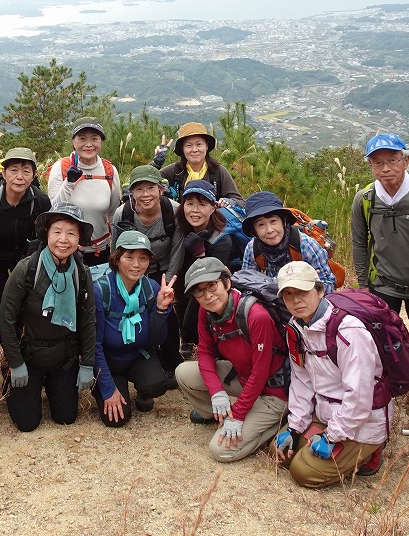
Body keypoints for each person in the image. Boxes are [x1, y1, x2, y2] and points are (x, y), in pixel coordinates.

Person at [274, 262, 390, 487]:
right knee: (279, 453)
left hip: (362, 419)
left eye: (302, 291)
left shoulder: (348, 331)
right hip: (325, 412)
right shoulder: (296, 328)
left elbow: (360, 397)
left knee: (303, 472)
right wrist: (295, 426)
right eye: (288, 294)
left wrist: (332, 436)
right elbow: (301, 379)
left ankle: (372, 450)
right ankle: (331, 442)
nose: (296, 300)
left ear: (320, 291)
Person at [175, 258, 288, 463]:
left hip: (273, 392)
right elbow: (205, 351)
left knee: (220, 451)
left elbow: (261, 372)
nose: (207, 295)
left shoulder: (256, 315)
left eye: (212, 285)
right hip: (243, 376)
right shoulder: (206, 311)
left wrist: (239, 413)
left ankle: (277, 422)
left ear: (226, 282)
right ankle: (218, 415)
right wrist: (217, 393)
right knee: (183, 373)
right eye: (199, 291)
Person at [0, 203, 97, 432]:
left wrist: (87, 364)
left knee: (66, 418)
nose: (63, 239)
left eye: (71, 233)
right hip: (29, 356)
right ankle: (10, 379)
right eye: (57, 231)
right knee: (27, 423)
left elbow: (88, 320)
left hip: (63, 357)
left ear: (79, 239)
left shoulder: (82, 273)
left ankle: (53, 385)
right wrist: (16, 363)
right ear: (46, 234)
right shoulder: (27, 269)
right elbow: (6, 319)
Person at [350, 133, 409, 385]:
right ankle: (392, 382)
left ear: (406, 161)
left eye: (392, 160)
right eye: (378, 163)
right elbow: (359, 242)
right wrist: (364, 285)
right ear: (370, 166)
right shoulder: (364, 200)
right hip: (383, 282)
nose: (386, 168)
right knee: (383, 336)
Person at [92, 231, 174, 427]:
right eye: (129, 257)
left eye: (143, 258)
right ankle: (107, 388)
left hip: (139, 354)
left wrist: (161, 310)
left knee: (157, 384)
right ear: (117, 258)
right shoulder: (101, 290)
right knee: (117, 420)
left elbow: (158, 339)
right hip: (109, 361)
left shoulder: (151, 288)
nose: (136, 264)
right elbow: (94, 344)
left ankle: (144, 393)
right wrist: (108, 389)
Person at [163, 179, 246, 373]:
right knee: (187, 319)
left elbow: (214, 276)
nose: (195, 210)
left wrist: (200, 252)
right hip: (195, 279)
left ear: (213, 207)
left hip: (219, 286)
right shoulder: (183, 226)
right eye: (190, 204)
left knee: (192, 323)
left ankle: (220, 358)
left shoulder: (222, 238)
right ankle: (207, 353)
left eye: (202, 204)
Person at [0, 147, 51, 306]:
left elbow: (44, 238)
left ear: (33, 175)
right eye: (14, 170)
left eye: (26, 171)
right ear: (4, 173)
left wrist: (32, 265)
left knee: (23, 302)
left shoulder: (40, 202)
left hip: (25, 259)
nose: (19, 177)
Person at [47, 116, 121, 266]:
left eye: (94, 138)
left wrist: (116, 249)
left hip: (99, 251)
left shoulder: (109, 171)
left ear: (101, 142)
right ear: (73, 142)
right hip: (65, 251)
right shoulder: (61, 168)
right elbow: (52, 210)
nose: (88, 144)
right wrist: (69, 183)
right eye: (82, 139)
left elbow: (113, 213)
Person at [239, 191, 337, 293]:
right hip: (270, 299)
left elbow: (328, 284)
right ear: (254, 230)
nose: (269, 230)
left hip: (304, 298)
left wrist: (308, 286)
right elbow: (246, 283)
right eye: (261, 225)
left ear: (283, 221)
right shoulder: (252, 249)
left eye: (273, 221)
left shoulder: (306, 246)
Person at [110, 164, 178, 280]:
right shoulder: (122, 214)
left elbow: (177, 250)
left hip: (163, 271)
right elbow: (115, 252)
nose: (146, 194)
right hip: (131, 272)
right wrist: (119, 280)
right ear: (132, 193)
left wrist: (168, 280)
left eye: (151, 188)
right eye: (139, 189)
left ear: (161, 190)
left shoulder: (174, 211)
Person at [153, 122, 243, 206]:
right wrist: (156, 163)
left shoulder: (218, 172)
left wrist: (229, 202)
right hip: (179, 218)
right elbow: (145, 183)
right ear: (182, 148)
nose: (194, 150)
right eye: (189, 145)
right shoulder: (175, 171)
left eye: (199, 144)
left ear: (207, 146)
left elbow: (239, 201)